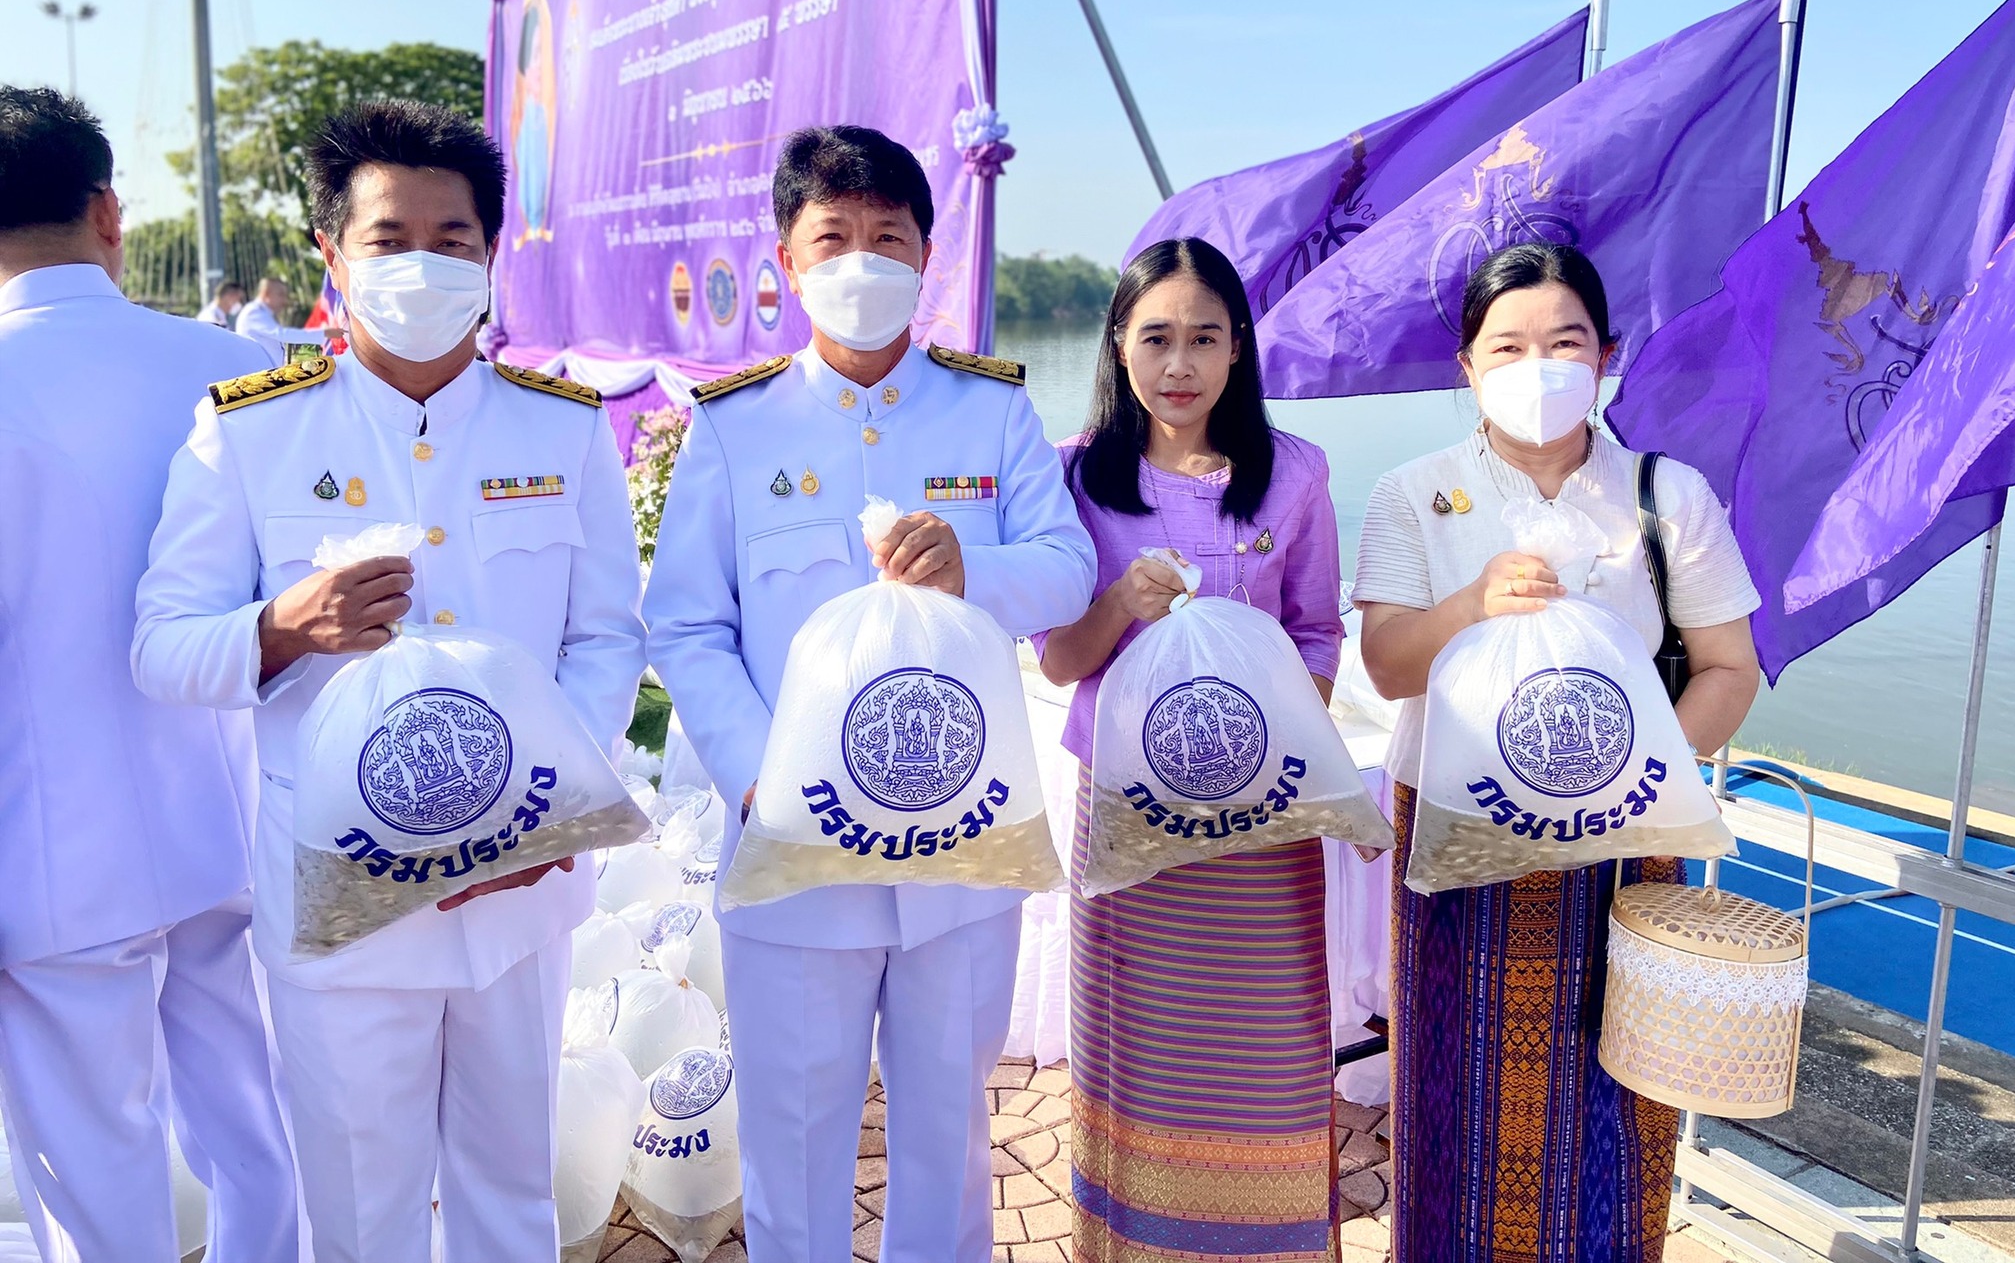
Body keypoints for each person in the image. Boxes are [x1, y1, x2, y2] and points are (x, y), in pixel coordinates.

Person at [134, 100, 646, 1263]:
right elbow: (161, 645)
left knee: (511, 1199)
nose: (422, 263)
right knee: (361, 1215)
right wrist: (281, 628)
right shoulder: (252, 432)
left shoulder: (561, 431)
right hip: (341, 903)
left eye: (451, 239)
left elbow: (606, 639)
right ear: (331, 251)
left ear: (491, 252)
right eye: (388, 237)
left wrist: (547, 806)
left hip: (517, 893)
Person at [643, 124, 1094, 1263]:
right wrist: (760, 776)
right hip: (795, 855)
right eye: (831, 237)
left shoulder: (990, 412)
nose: (861, 261)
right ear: (787, 262)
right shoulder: (735, 425)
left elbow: (1067, 567)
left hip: (959, 845)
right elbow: (686, 622)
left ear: (926, 256)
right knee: (794, 1144)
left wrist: (973, 569)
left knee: (947, 1139)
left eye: (887, 237)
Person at [1353, 242, 1761, 1263]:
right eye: (1508, 346)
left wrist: (1631, 780)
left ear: (1605, 355)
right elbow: (1388, 666)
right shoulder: (1414, 492)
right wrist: (1470, 603)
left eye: (1565, 342)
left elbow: (1728, 666)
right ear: (1467, 365)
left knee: (1617, 1095)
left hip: (1621, 847)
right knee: (1452, 1086)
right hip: (1459, 844)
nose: (1538, 366)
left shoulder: (1666, 496)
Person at [0, 87, 298, 1262]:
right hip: (228, 820)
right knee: (258, 1130)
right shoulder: (240, 363)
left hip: (47, 853)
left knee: (96, 1177)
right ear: (109, 211)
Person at [1037, 236, 1345, 1262]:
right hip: (1129, 821)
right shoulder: (1074, 475)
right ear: (1117, 343)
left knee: (1266, 1050)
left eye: (1204, 338)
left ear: (1237, 346)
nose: (1180, 364)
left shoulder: (1295, 472)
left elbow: (1316, 631)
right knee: (1140, 1050)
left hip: (1261, 821)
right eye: (1156, 337)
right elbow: (1059, 659)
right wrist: (1119, 603)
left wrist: (1262, 740)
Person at [235, 276, 291, 365]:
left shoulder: (267, 314)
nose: (284, 301)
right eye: (280, 294)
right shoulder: (253, 313)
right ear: (266, 294)